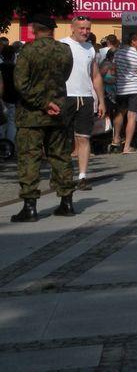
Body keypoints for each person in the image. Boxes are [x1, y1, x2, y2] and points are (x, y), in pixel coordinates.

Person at [10, 15, 74, 222]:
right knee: (61, 156)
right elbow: (64, 76)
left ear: (33, 29)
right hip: (58, 112)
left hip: (31, 115)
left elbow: (21, 84)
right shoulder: (65, 50)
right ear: (52, 30)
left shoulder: (27, 51)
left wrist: (43, 103)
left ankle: (30, 207)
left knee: (30, 158)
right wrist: (52, 101)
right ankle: (67, 202)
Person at [61, 17, 105, 191]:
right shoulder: (62, 45)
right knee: (62, 139)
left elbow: (96, 76)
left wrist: (101, 101)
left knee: (84, 138)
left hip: (85, 98)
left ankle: (82, 177)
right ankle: (63, 176)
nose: (85, 32)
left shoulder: (90, 48)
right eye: (81, 28)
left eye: (88, 28)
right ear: (72, 28)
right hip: (65, 97)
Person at [114, 31, 137, 153]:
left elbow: (115, 71)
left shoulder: (118, 54)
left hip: (121, 88)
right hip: (134, 89)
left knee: (119, 114)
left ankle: (116, 139)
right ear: (133, 42)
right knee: (131, 116)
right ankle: (127, 146)